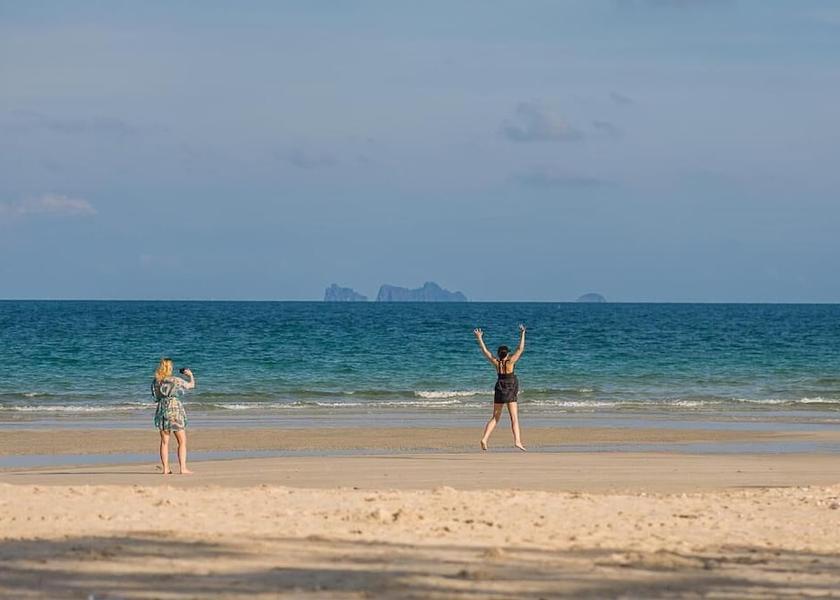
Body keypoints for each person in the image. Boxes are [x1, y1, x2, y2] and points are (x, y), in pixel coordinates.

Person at [474, 324, 526, 451]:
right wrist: (522, 334)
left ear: (499, 354)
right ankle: (517, 441)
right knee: (514, 418)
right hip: (510, 388)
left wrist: (479, 338)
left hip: (499, 387)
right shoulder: (511, 362)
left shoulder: (496, 363)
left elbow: (485, 352)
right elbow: (520, 348)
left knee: (495, 417)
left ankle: (485, 438)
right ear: (507, 354)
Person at [151, 358, 195, 475]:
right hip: (174, 409)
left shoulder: (156, 381)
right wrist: (190, 375)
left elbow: (155, 397)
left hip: (162, 409)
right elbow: (191, 385)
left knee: (164, 441)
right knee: (182, 441)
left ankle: (165, 468)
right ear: (169, 368)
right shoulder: (175, 380)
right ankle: (183, 468)